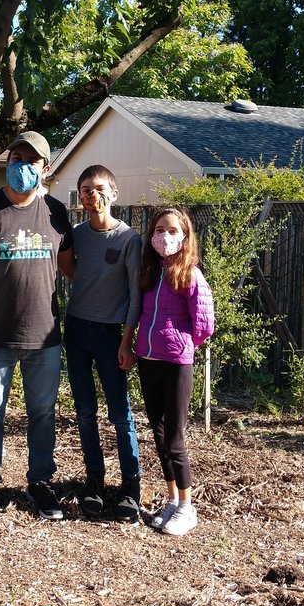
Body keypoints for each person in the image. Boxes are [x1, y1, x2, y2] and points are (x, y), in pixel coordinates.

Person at [0, 131, 74, 523]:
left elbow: (71, 267)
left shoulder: (56, 212)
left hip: (44, 335)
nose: (22, 166)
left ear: (45, 168)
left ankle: (40, 483)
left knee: (42, 414)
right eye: (16, 158)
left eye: (31, 161)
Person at [64, 164, 143, 521]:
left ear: (114, 193)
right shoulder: (76, 235)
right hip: (77, 329)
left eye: (98, 188)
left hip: (112, 334)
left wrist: (128, 340)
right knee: (84, 412)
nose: (92, 195)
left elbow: (135, 294)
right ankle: (94, 480)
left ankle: (130, 486)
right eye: (85, 190)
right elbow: (70, 269)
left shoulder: (129, 239)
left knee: (120, 414)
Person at [134, 207, 215, 537]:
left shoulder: (190, 274)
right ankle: (171, 500)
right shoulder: (150, 272)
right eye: (159, 230)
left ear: (184, 237)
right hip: (147, 359)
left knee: (175, 438)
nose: (164, 236)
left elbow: (204, 323)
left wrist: (181, 344)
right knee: (158, 433)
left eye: (172, 231)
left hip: (176, 363)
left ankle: (187, 507)